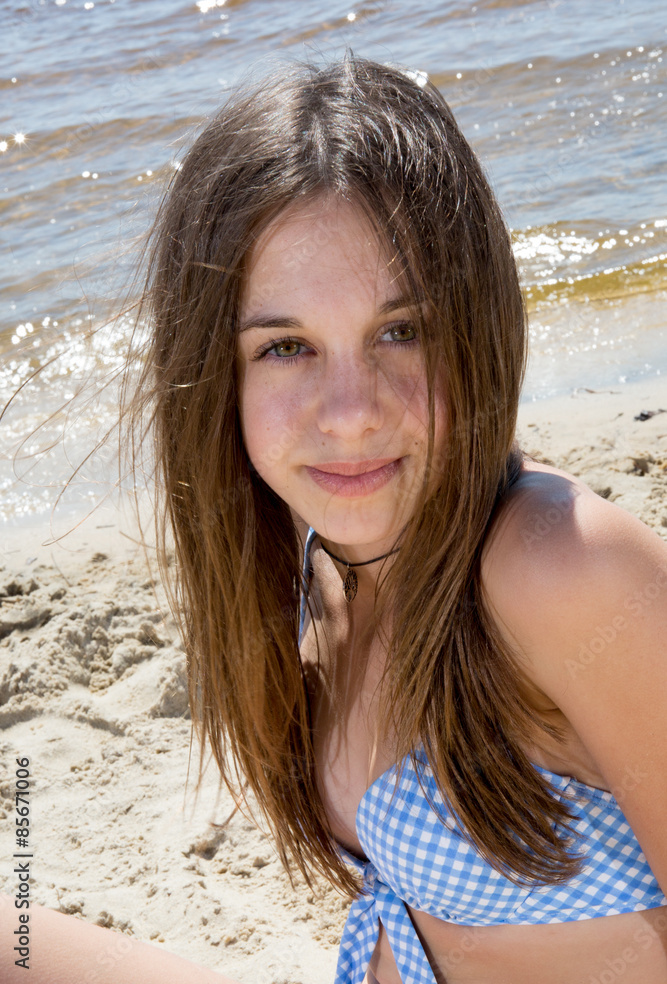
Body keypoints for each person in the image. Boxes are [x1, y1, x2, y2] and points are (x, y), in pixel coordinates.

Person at [3, 55, 667, 984]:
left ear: (475, 329)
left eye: (402, 330)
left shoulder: (558, 568)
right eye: (286, 347)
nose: (351, 413)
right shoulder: (316, 563)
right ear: (215, 376)